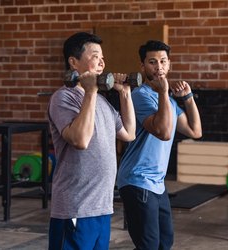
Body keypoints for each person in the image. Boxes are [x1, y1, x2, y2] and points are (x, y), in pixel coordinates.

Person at [47, 32, 136, 250]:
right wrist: (90, 92)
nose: (102, 62)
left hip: (102, 208)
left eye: (103, 57)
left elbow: (129, 134)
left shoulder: (103, 103)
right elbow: (80, 140)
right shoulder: (63, 98)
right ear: (73, 62)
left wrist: (125, 94)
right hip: (75, 207)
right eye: (95, 55)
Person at [117, 40, 202, 249]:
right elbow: (163, 132)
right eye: (152, 62)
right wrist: (164, 92)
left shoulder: (170, 102)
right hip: (137, 179)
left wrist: (188, 97)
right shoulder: (140, 96)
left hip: (157, 182)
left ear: (169, 64)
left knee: (165, 242)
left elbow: (195, 131)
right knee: (149, 245)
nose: (159, 67)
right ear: (143, 67)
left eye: (163, 61)